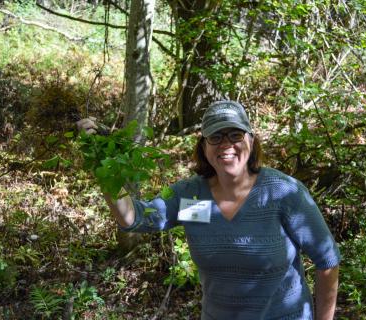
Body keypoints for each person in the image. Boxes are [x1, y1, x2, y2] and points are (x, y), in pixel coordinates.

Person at [77, 100, 341, 320]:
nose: (226, 144)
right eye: (215, 136)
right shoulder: (189, 196)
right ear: (204, 147)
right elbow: (135, 218)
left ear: (251, 140)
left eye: (235, 134)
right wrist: (101, 161)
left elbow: (327, 260)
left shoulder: (284, 192)